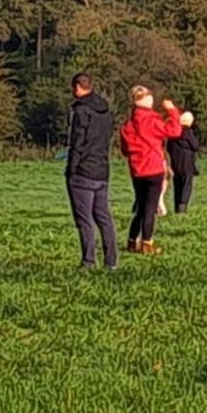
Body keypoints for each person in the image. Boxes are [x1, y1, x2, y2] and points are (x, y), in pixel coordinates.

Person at [118, 86, 182, 255]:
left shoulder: (127, 125)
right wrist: (172, 111)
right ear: (148, 100)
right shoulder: (152, 121)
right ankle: (147, 243)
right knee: (150, 208)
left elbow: (124, 151)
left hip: (137, 170)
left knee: (141, 206)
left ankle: (132, 240)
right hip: (153, 168)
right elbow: (175, 131)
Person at [65, 73, 119, 270]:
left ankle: (88, 261)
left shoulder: (81, 111)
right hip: (102, 169)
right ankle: (111, 261)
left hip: (83, 171)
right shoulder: (106, 111)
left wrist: (72, 169)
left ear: (77, 87)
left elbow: (77, 143)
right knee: (104, 217)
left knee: (84, 219)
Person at [167, 111, 201, 214]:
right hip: (187, 163)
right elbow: (195, 145)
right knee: (186, 186)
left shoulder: (173, 131)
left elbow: (168, 147)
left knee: (177, 185)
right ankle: (182, 207)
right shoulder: (187, 132)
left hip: (175, 163)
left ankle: (176, 207)